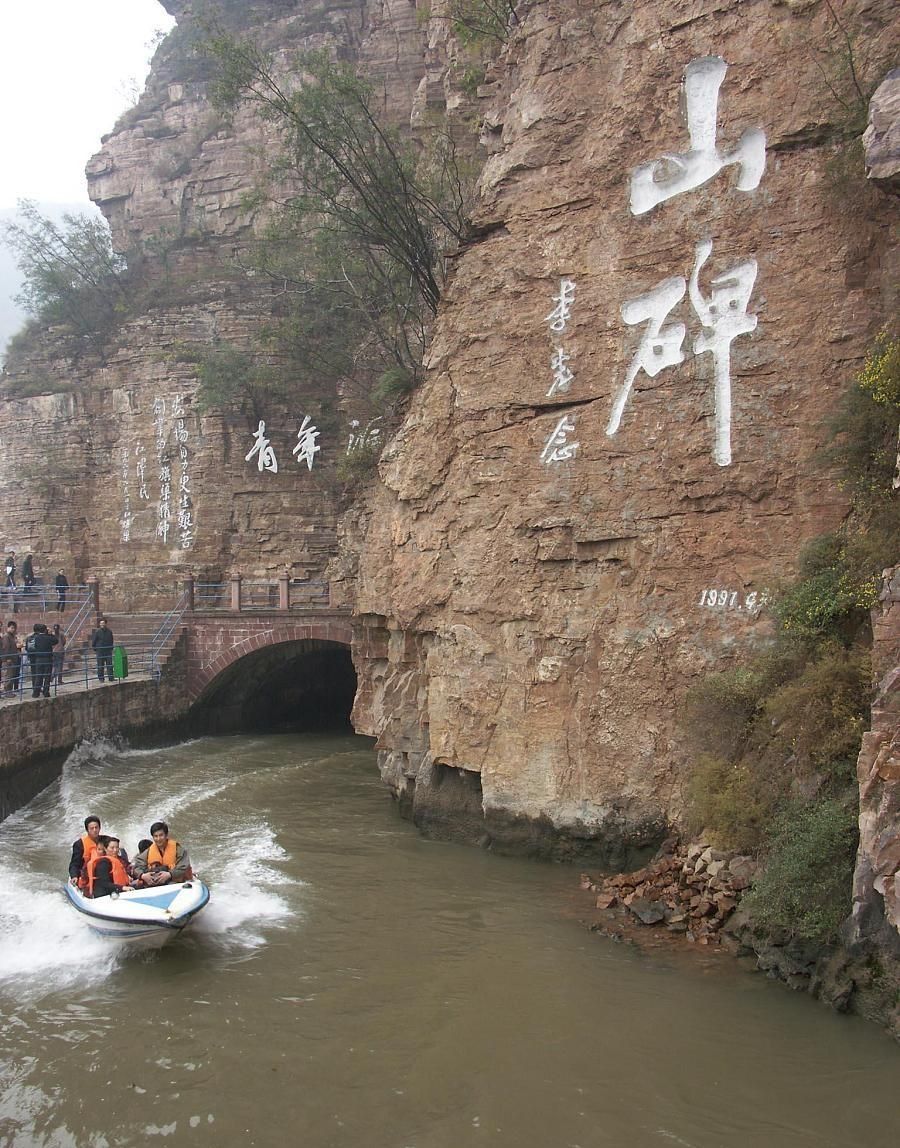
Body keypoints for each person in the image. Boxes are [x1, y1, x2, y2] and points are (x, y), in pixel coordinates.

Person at [131, 821, 193, 886]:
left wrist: (169, 874)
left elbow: (184, 867)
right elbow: (137, 868)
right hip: (154, 884)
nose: (158, 839)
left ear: (166, 835)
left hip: (175, 883)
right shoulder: (148, 852)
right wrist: (143, 875)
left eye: (161, 835)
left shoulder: (179, 850)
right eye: (155, 836)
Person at [26, 623, 58, 698]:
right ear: (45, 630)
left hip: (38, 659)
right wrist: (51, 634)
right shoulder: (48, 637)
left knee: (38, 676)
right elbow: (56, 641)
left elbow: (30, 647)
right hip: (48, 659)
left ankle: (35, 693)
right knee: (47, 676)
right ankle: (46, 692)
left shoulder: (34, 638)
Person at [68, 815, 102, 886]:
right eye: (92, 828)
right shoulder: (79, 844)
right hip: (87, 874)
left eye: (96, 827)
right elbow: (74, 864)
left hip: (104, 872)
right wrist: (74, 876)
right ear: (87, 830)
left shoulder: (106, 840)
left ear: (99, 828)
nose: (95, 830)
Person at [0, 620, 21, 697]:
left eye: (14, 628)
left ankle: (9, 691)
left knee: (11, 675)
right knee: (8, 676)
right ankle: (7, 692)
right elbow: (5, 648)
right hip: (8, 660)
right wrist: (7, 658)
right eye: (12, 628)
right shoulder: (6, 636)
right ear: (8, 627)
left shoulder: (11, 636)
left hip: (13, 659)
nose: (13, 629)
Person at [90, 618, 114, 682]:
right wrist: (97, 650)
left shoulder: (109, 631)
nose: (102, 624)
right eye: (101, 623)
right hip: (100, 651)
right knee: (100, 666)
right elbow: (94, 642)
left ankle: (111, 678)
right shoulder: (97, 632)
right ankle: (101, 678)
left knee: (109, 665)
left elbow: (111, 640)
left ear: (106, 624)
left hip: (108, 651)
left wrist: (111, 648)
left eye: (103, 623)